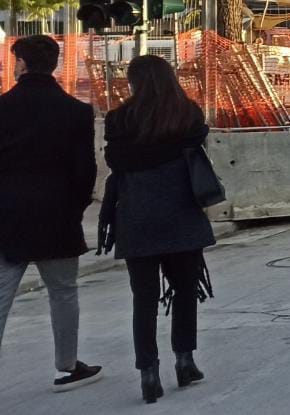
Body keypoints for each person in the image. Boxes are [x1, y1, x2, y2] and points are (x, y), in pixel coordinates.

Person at [98, 55, 217, 404]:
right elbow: (198, 148)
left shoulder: (119, 119)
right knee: (184, 291)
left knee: (144, 299)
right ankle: (185, 360)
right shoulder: (188, 114)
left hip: (137, 217)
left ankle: (148, 372)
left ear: (133, 82)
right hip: (181, 214)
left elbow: (115, 162)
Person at [0, 36, 103, 392]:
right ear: (55, 64)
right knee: (62, 292)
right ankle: (68, 365)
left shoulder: (3, 108)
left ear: (22, 65)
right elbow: (85, 170)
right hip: (57, 215)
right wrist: (73, 207)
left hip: (7, 216)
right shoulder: (76, 111)